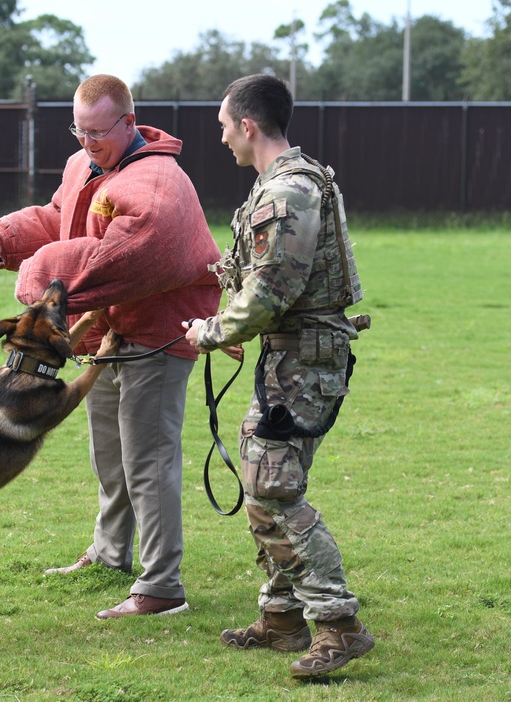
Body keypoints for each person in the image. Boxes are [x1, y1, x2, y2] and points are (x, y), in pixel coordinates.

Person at [0, 74, 221, 619]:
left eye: (97, 133)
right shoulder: (83, 164)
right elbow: (60, 221)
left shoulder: (158, 181)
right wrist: (7, 238)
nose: (87, 143)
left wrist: (42, 274)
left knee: (148, 462)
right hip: (107, 334)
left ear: (129, 123)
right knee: (109, 456)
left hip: (158, 337)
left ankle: (161, 586)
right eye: (78, 131)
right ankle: (111, 554)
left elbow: (131, 251)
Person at [183, 74, 373, 679]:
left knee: (272, 489)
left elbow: (270, 291)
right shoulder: (288, 183)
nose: (221, 140)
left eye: (223, 128)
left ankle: (339, 626)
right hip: (290, 356)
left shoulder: (286, 192)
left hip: (302, 360)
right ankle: (283, 619)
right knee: (265, 479)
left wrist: (212, 332)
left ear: (248, 126)